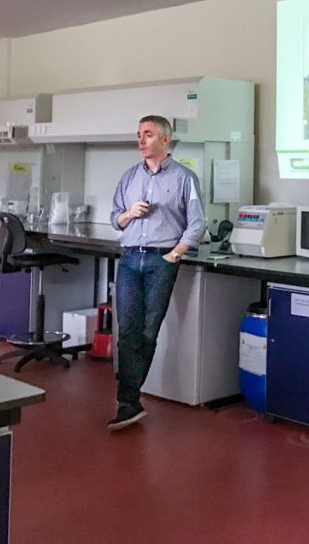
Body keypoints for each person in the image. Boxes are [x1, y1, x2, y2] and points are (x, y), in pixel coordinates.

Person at [108, 115, 205, 431]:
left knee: (148, 330)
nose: (141, 140)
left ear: (165, 139)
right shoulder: (129, 177)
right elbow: (114, 218)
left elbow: (197, 224)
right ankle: (128, 402)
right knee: (127, 330)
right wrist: (128, 214)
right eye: (139, 134)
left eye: (148, 134)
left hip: (160, 261)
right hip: (129, 258)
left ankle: (129, 400)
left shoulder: (184, 178)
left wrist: (174, 254)